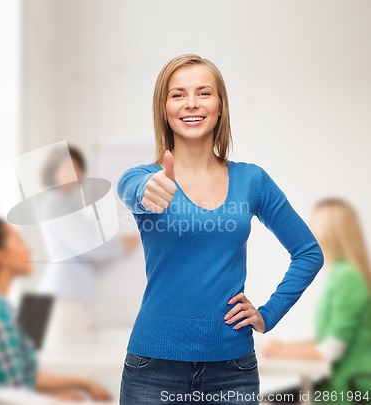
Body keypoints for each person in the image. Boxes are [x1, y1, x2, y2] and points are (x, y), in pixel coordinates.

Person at [116, 54, 325, 404]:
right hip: (153, 368)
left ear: (219, 106)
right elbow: (132, 191)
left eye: (203, 93)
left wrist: (268, 314)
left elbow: (308, 252)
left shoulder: (252, 180)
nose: (191, 104)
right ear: (164, 108)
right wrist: (147, 191)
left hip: (232, 369)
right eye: (178, 94)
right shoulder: (142, 178)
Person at [0, 215, 113, 402]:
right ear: (1, 257)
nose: (28, 248)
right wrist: (58, 399)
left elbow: (21, 377)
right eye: (18, 242)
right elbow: (9, 396)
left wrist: (82, 384)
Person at [261, 197, 371, 404]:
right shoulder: (343, 274)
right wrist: (285, 347)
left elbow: (330, 349)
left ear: (330, 233)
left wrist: (281, 351)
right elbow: (332, 338)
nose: (306, 232)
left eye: (312, 225)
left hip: (350, 388)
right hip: (342, 383)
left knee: (265, 402)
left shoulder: (346, 277)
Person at [36, 144, 139, 348]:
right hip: (63, 297)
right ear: (53, 172)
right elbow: (88, 246)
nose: (74, 174)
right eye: (66, 168)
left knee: (67, 364)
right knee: (68, 366)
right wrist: (122, 244)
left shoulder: (64, 203)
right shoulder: (57, 203)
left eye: (76, 168)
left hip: (65, 295)